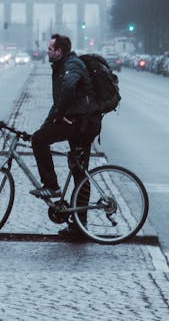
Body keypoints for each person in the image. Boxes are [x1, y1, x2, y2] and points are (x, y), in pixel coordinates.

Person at [30, 33, 101, 238]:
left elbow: (69, 88)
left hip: (83, 124)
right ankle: (79, 227)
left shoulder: (71, 65)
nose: (47, 51)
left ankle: (51, 186)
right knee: (79, 172)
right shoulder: (63, 66)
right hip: (79, 122)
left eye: (50, 49)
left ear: (59, 51)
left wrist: (58, 117)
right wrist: (49, 122)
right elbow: (59, 101)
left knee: (40, 140)